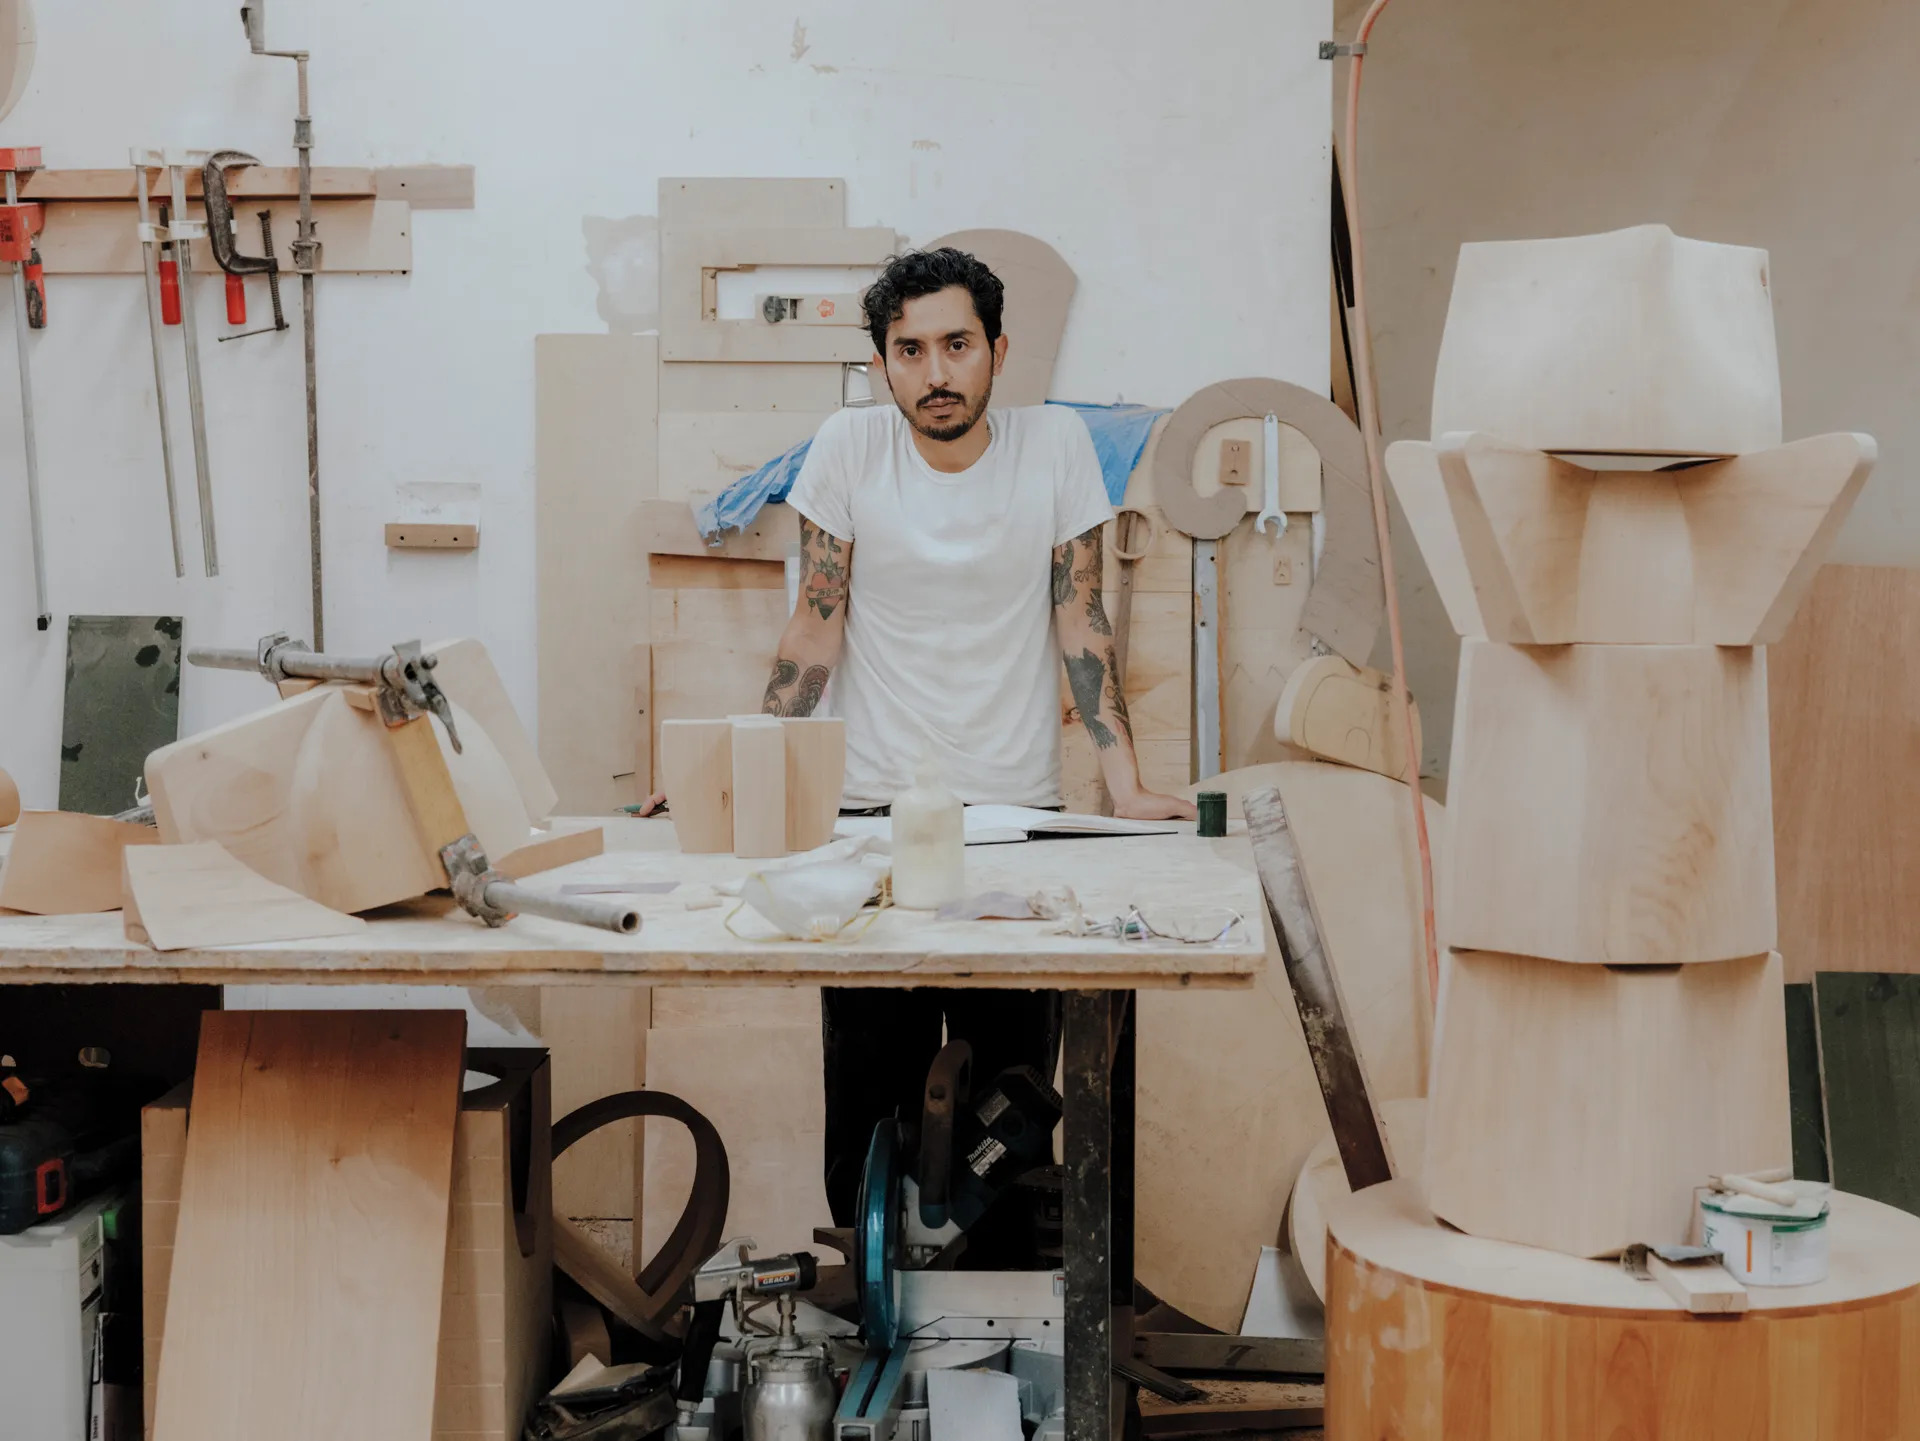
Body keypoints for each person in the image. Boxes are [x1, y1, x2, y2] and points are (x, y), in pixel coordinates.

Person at [759, 246, 1195, 1225]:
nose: (936, 371)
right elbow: (814, 624)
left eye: (957, 344)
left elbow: (1081, 621)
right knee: (871, 1123)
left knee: (1012, 1120)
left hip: (1012, 824)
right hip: (868, 827)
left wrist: (1126, 786)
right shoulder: (848, 449)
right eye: (909, 350)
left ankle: (997, 1345)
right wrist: (754, 771)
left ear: (999, 349)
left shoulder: (1054, 450)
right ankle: (886, 1323)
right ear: (882, 365)